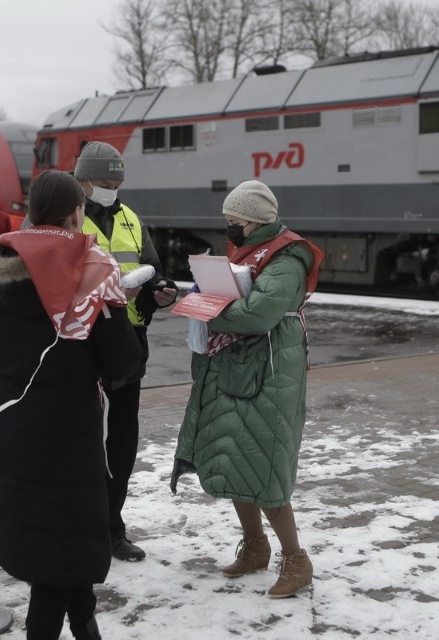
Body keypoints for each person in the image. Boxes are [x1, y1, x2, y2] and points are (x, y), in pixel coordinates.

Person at [0, 170, 144, 640]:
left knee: (45, 542)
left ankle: (84, 622)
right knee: (64, 550)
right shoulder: (91, 271)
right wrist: (115, 307)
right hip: (70, 434)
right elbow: (122, 362)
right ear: (76, 213)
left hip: (16, 425)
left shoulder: (0, 269)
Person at [171, 180, 324, 598]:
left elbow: (258, 314)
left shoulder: (288, 257)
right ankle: (255, 546)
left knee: (266, 464)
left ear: (255, 220)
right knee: (236, 458)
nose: (230, 228)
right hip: (238, 368)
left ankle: (296, 560)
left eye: (234, 220)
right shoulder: (249, 251)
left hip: (270, 373)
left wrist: (205, 308)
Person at [73, 141, 179, 561]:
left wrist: (161, 290)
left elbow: (151, 267)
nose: (111, 189)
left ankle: (111, 527)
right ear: (82, 180)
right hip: (82, 343)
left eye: (117, 182)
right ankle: (81, 527)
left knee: (122, 440)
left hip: (128, 343)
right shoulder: (69, 218)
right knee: (83, 440)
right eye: (103, 182)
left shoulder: (131, 218)